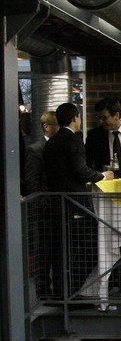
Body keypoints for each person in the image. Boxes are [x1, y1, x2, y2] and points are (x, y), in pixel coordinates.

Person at [44, 103, 114, 300]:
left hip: (57, 202)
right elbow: (80, 170)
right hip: (75, 202)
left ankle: (61, 293)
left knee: (62, 250)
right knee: (91, 246)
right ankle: (72, 291)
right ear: (75, 118)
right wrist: (102, 176)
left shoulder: (51, 142)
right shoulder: (73, 140)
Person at [25, 111, 60, 299]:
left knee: (56, 250)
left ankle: (57, 289)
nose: (59, 129)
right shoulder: (35, 149)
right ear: (46, 127)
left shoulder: (58, 147)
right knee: (43, 251)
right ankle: (43, 290)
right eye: (57, 125)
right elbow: (32, 181)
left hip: (58, 207)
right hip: (44, 210)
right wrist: (42, 203)